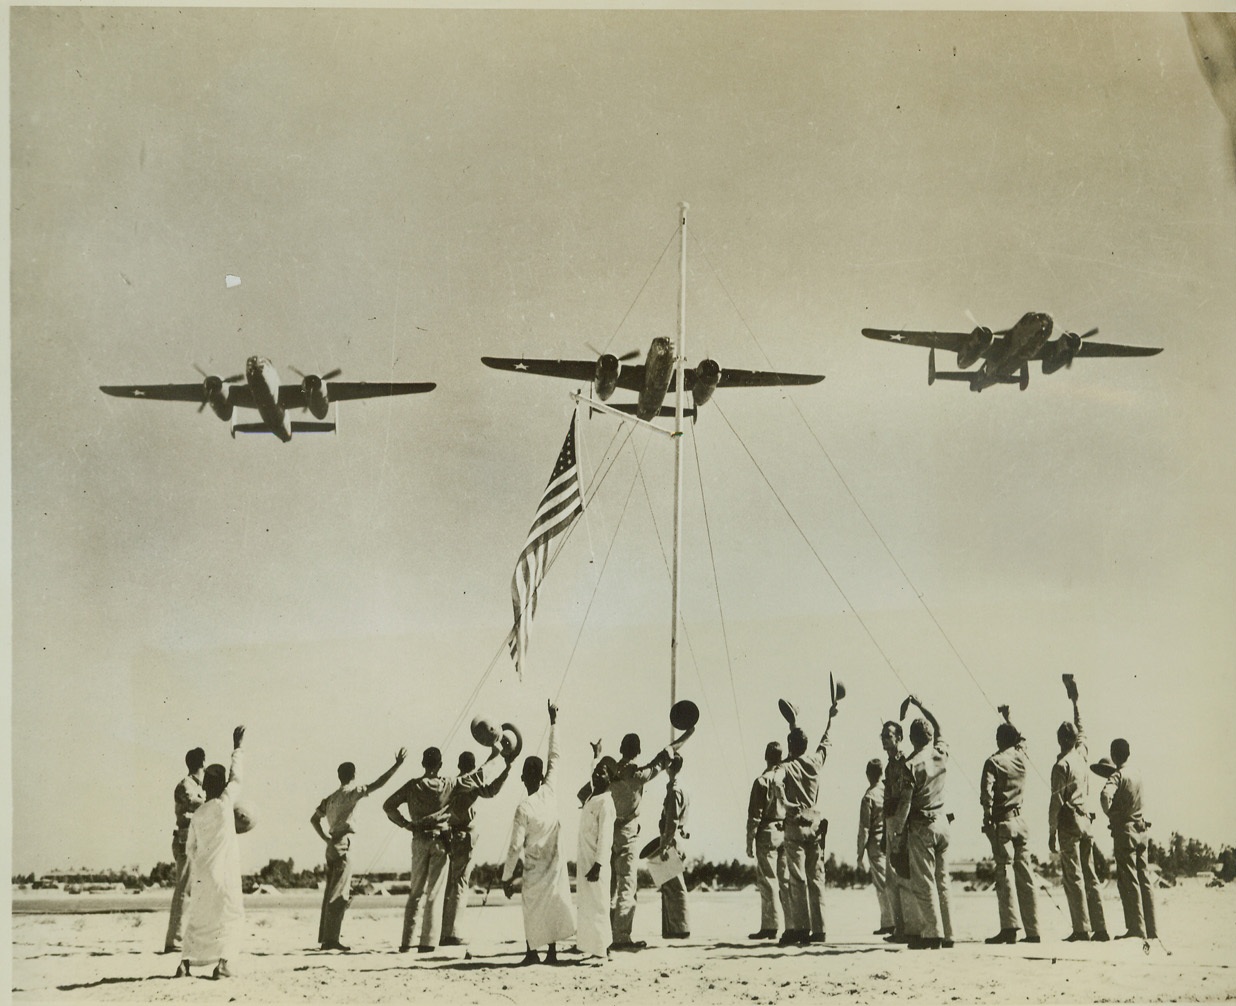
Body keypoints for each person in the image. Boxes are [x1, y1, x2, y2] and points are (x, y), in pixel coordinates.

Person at [383, 738, 512, 953]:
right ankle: (427, 943)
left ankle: (406, 942)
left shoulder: (412, 785)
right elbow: (478, 777)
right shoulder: (448, 784)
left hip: (418, 839)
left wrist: (405, 824)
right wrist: (495, 756)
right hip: (440, 840)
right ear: (440, 765)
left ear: (423, 764)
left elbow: (388, 806)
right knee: (434, 891)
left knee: (415, 892)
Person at [501, 701, 576, 965]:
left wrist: (506, 877)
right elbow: (555, 756)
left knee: (532, 908)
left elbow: (513, 847)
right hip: (554, 862)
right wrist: (554, 722)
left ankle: (532, 952)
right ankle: (552, 953)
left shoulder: (524, 807)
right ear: (541, 775)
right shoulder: (551, 790)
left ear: (523, 778)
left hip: (533, 865)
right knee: (553, 905)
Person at [310, 748, 407, 951]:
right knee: (340, 893)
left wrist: (325, 838)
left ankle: (326, 938)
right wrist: (397, 765)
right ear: (353, 775)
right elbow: (379, 783)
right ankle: (331, 940)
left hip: (331, 844)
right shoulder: (351, 793)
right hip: (344, 843)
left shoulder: (330, 798)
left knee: (330, 892)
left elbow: (314, 819)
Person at [608, 724, 694, 950]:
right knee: (627, 884)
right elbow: (661, 759)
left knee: (611, 886)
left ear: (620, 748)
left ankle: (608, 932)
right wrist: (687, 734)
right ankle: (621, 937)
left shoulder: (610, 771)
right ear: (637, 752)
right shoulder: (637, 775)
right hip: (627, 831)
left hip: (608, 830)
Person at [176, 726, 245, 980]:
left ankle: (184, 964)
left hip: (202, 875)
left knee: (198, 920)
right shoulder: (225, 805)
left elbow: (190, 849)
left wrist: (198, 867)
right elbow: (237, 778)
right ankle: (223, 965)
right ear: (222, 785)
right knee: (230, 915)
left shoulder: (198, 814)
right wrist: (237, 747)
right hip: (223, 874)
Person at [1049, 676, 1109, 942]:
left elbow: (1055, 803)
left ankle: (1081, 929)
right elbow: (1082, 728)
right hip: (1087, 822)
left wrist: (1051, 831)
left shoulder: (1061, 766)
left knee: (1073, 876)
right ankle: (1101, 927)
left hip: (1069, 823)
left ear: (1060, 740)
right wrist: (1076, 701)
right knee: (1091, 875)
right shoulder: (1083, 754)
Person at [894, 695, 953, 951]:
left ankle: (933, 934)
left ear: (911, 739)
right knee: (942, 880)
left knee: (924, 881)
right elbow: (940, 727)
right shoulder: (941, 754)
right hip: (943, 822)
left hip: (922, 826)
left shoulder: (910, 765)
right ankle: (948, 933)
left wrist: (897, 831)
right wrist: (920, 705)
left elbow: (905, 803)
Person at [778, 700, 836, 947]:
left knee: (797, 877)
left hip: (795, 824)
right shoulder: (815, 762)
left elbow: (777, 783)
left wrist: (787, 805)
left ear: (790, 746)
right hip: (816, 824)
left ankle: (800, 928)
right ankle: (820, 929)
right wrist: (831, 716)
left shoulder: (786, 766)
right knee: (816, 877)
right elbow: (825, 742)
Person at [441, 748, 513, 946]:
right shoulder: (468, 783)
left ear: (459, 765)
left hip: (450, 834)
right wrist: (506, 769)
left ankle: (445, 932)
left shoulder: (452, 783)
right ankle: (452, 934)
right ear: (471, 766)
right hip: (464, 835)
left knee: (451, 883)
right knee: (460, 883)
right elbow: (491, 790)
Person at [981, 704, 1039, 945]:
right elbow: (1022, 739)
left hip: (1003, 822)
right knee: (1026, 875)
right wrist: (1009, 717)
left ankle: (1009, 928)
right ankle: (1033, 930)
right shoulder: (1022, 756)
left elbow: (987, 793)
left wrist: (986, 816)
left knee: (1004, 874)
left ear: (999, 740)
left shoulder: (993, 761)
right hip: (1021, 820)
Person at [1097, 738, 1157, 941]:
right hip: (1141, 830)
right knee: (1145, 880)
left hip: (1125, 832)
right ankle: (1151, 929)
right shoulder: (1137, 773)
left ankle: (1136, 929)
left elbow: (1105, 796)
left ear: (1113, 754)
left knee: (1129, 881)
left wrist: (1112, 815)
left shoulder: (1118, 775)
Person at [164, 746, 206, 954]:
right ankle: (175, 941)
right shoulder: (186, 785)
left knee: (194, 891)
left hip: (195, 841)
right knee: (185, 890)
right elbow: (192, 803)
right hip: (185, 840)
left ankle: (185, 938)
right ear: (203, 763)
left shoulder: (196, 786)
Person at [746, 741, 789, 940]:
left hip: (767, 831)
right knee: (785, 880)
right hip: (784, 829)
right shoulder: (786, 779)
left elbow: (755, 815)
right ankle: (793, 924)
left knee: (768, 881)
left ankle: (770, 925)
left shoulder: (761, 781)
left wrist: (749, 840)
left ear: (766, 756)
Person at [577, 755, 617, 963]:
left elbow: (606, 837)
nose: (596, 774)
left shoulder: (606, 803)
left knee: (599, 905)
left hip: (596, 864)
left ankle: (603, 950)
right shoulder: (592, 797)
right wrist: (594, 758)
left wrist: (599, 864)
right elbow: (592, 775)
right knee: (587, 905)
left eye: (602, 772)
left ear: (610, 778)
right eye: (596, 771)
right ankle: (593, 947)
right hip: (585, 860)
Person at [881, 720, 917, 945]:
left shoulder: (904, 762)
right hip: (891, 821)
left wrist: (898, 830)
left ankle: (909, 929)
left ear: (899, 737)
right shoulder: (889, 766)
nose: (884, 738)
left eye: (888, 735)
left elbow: (906, 798)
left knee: (903, 875)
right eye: (883, 735)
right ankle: (901, 928)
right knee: (892, 878)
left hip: (901, 823)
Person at [857, 757, 894, 937]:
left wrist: (859, 854)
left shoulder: (868, 796)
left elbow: (864, 828)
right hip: (890, 840)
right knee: (891, 881)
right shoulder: (887, 791)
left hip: (875, 843)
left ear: (867, 775)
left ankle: (889, 922)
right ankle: (892, 921)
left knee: (882, 884)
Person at [657, 753, 690, 939]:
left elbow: (672, 820)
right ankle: (674, 928)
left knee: (675, 885)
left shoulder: (675, 791)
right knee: (671, 884)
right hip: (677, 837)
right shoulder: (680, 788)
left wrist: (665, 844)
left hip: (672, 838)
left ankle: (680, 928)